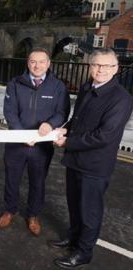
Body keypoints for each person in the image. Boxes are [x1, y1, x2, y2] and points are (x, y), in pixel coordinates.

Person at [50, 48, 133, 268]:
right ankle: (74, 238)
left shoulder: (122, 99)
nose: (101, 70)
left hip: (95, 165)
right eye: (96, 64)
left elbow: (104, 136)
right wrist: (66, 129)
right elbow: (77, 119)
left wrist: (68, 142)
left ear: (116, 69)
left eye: (107, 66)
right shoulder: (88, 87)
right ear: (90, 66)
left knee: (89, 211)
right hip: (75, 159)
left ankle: (84, 252)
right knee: (74, 204)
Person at [0, 48, 70, 236]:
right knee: (11, 179)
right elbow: (10, 112)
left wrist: (51, 124)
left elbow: (62, 112)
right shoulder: (15, 83)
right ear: (27, 63)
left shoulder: (58, 87)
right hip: (16, 143)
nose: (36, 66)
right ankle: (9, 210)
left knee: (38, 182)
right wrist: (22, 135)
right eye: (32, 61)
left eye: (41, 61)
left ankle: (33, 215)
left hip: (41, 146)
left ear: (49, 63)